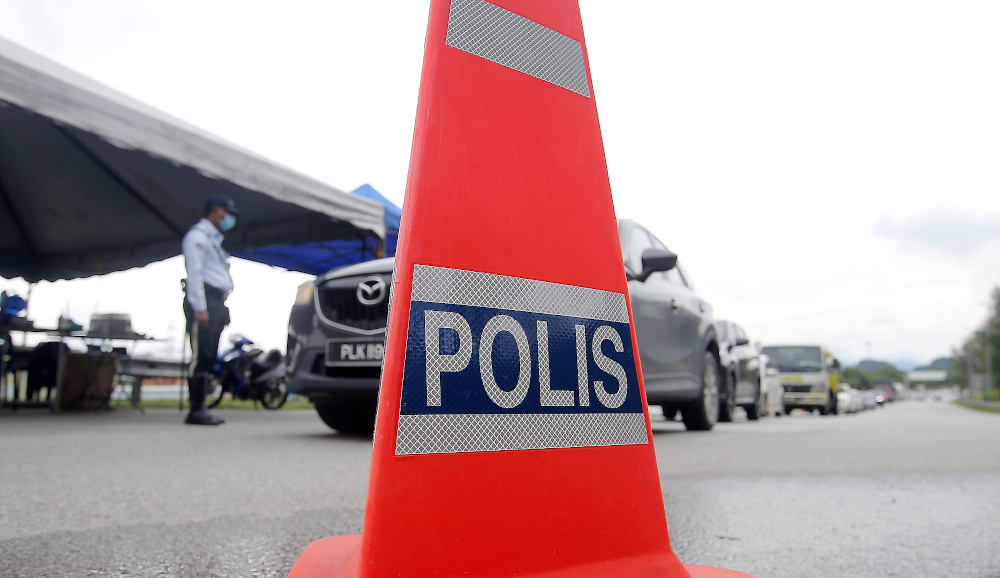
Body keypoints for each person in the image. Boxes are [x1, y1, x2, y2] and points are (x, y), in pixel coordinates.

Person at [181, 194, 239, 425]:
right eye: (227, 214)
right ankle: (196, 409)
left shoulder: (214, 240)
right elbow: (194, 274)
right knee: (200, 355)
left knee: (209, 355)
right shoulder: (197, 237)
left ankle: (202, 407)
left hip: (216, 301)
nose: (229, 219)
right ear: (216, 211)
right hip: (204, 300)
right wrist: (200, 307)